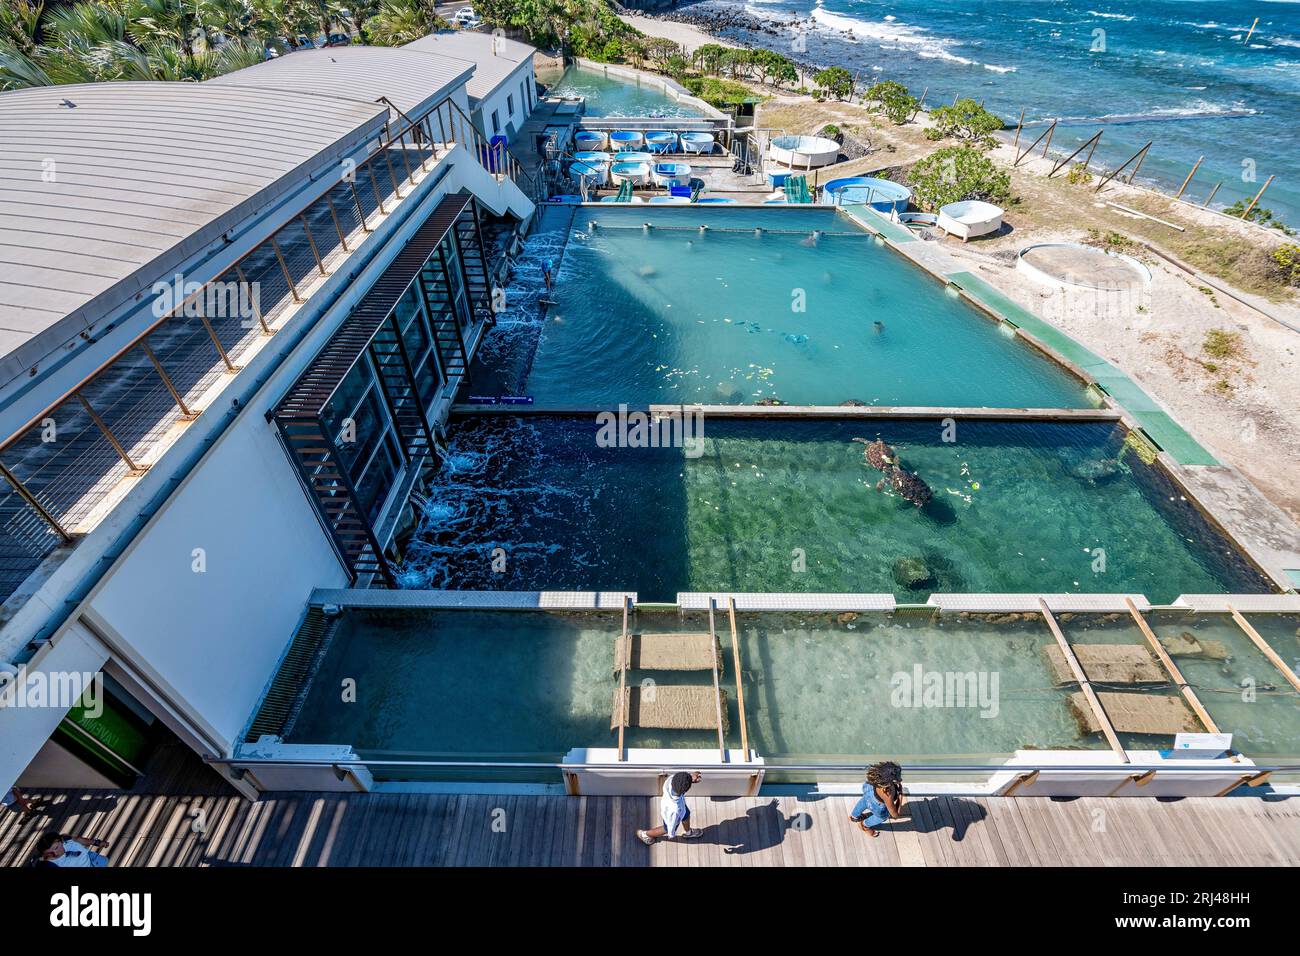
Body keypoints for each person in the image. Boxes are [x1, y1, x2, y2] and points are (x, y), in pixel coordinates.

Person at [637, 771, 703, 845]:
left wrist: (690, 778)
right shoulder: (675, 810)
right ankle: (646, 835)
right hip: (672, 815)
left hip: (679, 806)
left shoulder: (671, 779)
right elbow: (671, 824)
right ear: (684, 791)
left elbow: (680, 779)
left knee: (686, 815)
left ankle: (688, 832)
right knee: (666, 828)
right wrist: (671, 833)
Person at [849, 761, 904, 837]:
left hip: (869, 789)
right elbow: (895, 815)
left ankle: (854, 816)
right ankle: (864, 825)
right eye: (897, 778)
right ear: (888, 783)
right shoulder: (887, 794)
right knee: (882, 817)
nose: (900, 779)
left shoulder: (876, 777)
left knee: (865, 800)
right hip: (877, 805)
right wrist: (900, 797)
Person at [32, 831, 110, 867]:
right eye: (49, 854)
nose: (55, 854)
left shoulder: (66, 838)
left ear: (61, 841)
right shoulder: (50, 865)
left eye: (56, 848)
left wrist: (97, 842)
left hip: (93, 859)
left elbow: (79, 839)